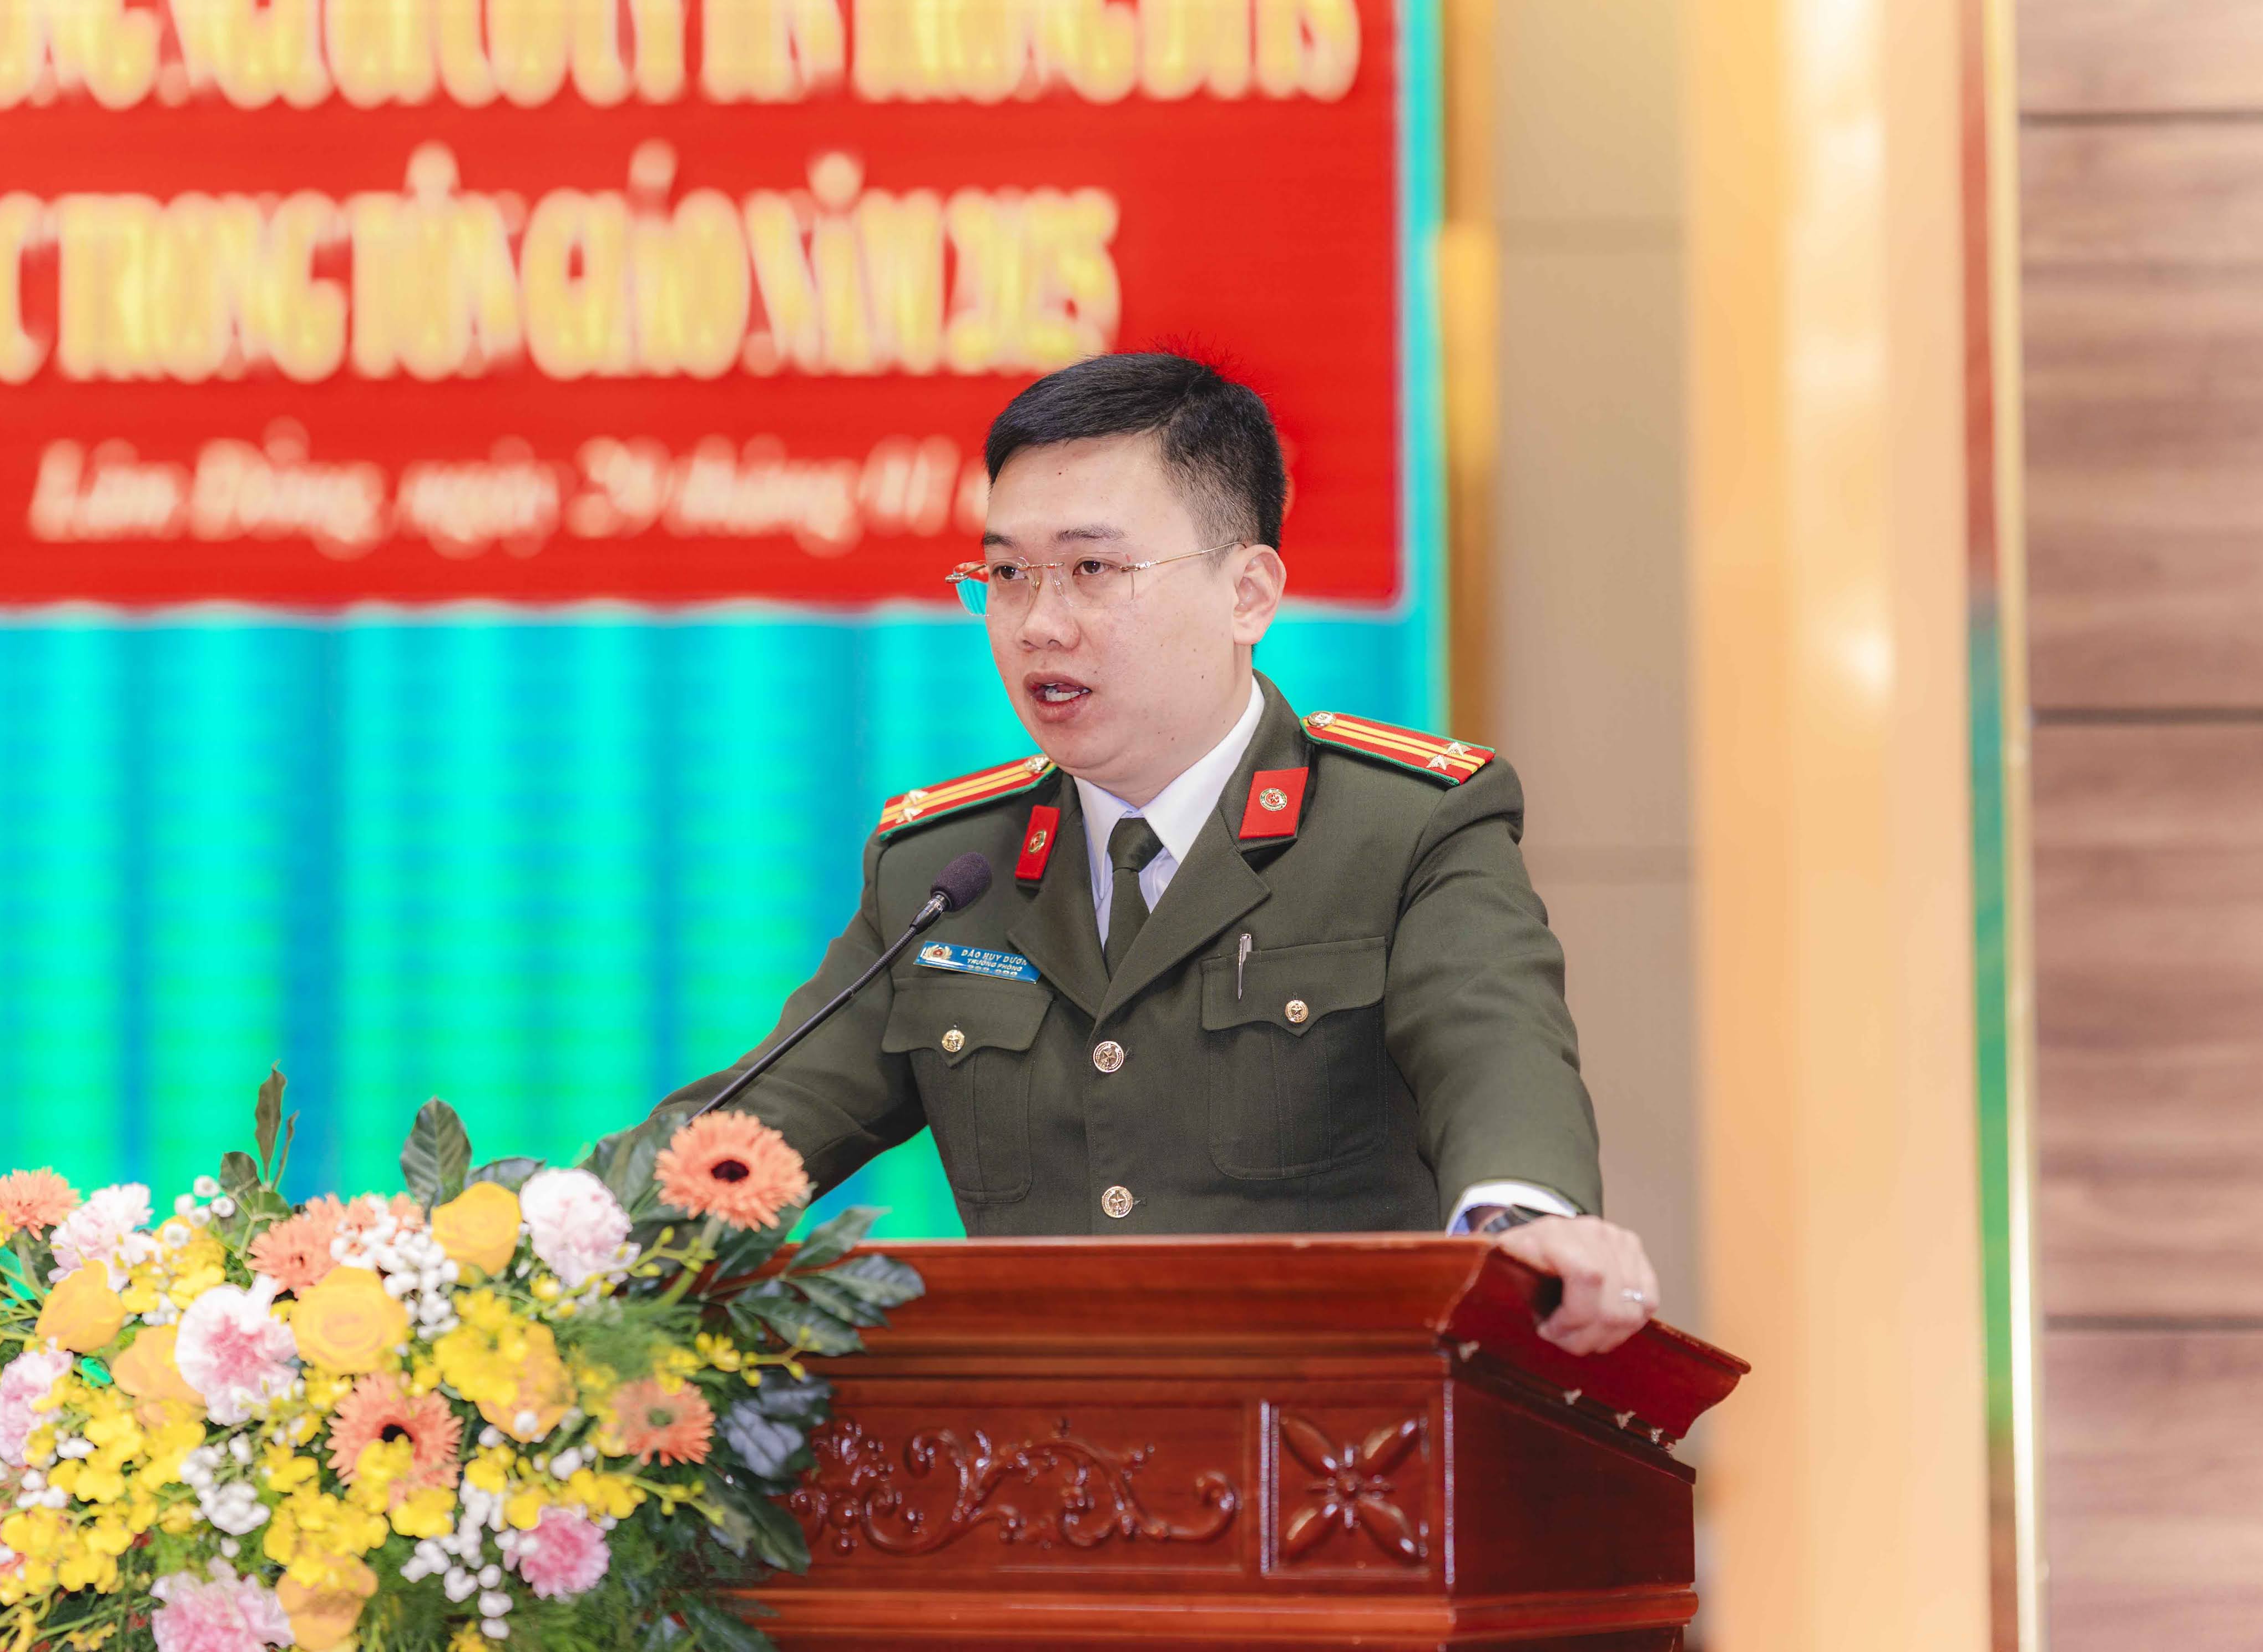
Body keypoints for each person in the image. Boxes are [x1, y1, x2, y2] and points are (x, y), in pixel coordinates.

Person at [660, 351, 1660, 1355]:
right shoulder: (946, 868)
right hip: (1034, 1440)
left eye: (1092, 570)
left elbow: (1494, 1056)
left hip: (1338, 1428)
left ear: (1248, 593)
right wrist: (574, 1228)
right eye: (1006, 574)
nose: (1039, 625)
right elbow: (757, 1127)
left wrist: (1523, 1221)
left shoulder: (1402, 830)